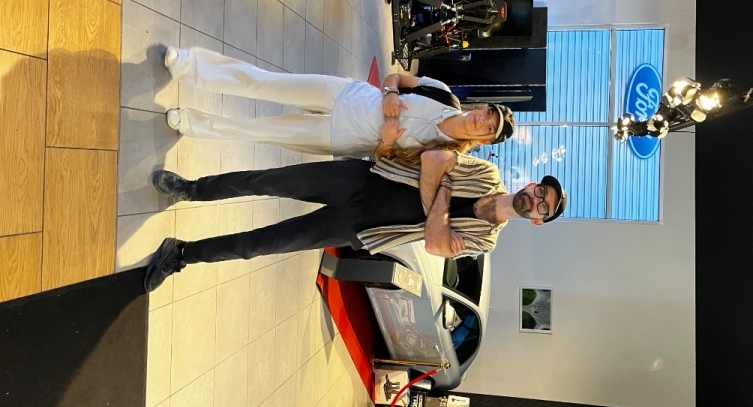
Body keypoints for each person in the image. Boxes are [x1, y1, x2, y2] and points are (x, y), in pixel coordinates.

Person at [143, 151, 568, 292]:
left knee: (261, 244)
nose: (535, 200)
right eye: (540, 192)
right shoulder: (488, 174)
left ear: (537, 221)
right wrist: (437, 214)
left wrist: (442, 190)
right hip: (361, 179)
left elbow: (434, 245)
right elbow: (432, 160)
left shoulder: (487, 240)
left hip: (363, 230)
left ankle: (180, 254)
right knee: (265, 180)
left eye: (543, 208)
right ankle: (191, 189)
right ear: (532, 184)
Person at [161, 46, 514, 161]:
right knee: (265, 82)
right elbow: (395, 77)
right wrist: (390, 94)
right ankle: (189, 65)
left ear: (484, 140)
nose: (482, 120)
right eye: (489, 113)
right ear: (482, 107)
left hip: (339, 136)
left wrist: (386, 142)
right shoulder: (443, 93)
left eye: (489, 127)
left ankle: (191, 123)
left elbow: (384, 163)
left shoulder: (443, 154)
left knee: (258, 130)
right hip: (346, 94)